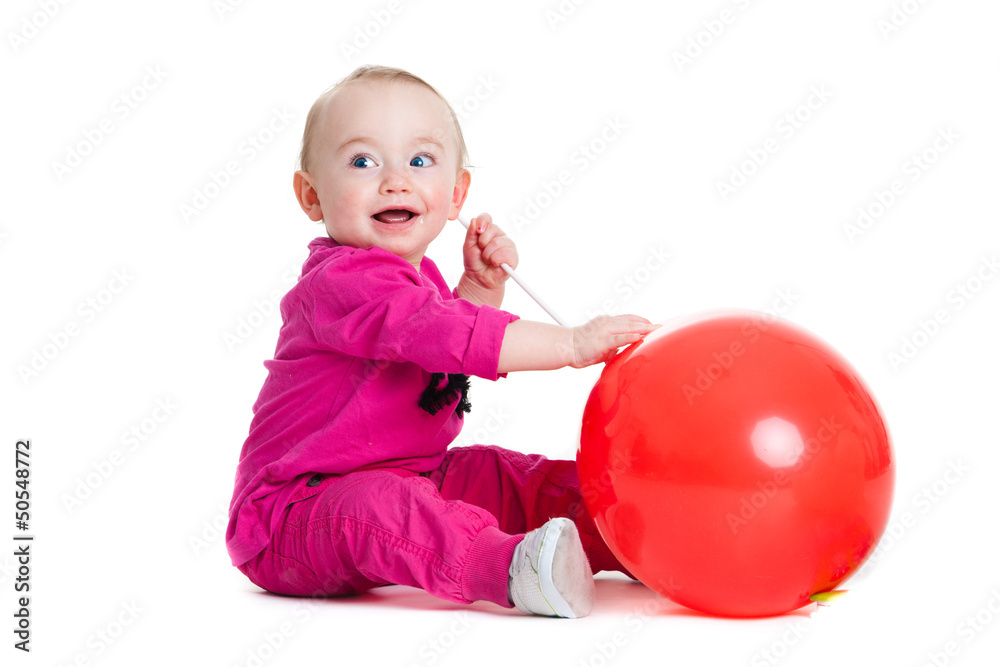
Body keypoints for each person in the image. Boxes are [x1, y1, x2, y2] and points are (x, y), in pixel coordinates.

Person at [226, 65, 658, 618]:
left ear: (455, 195)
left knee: (505, 476)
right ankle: (514, 569)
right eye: (362, 162)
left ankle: (630, 528)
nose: (395, 182)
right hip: (293, 516)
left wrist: (478, 287)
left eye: (420, 161)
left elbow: (438, 347)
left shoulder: (418, 281)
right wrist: (571, 345)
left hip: (415, 473)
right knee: (385, 506)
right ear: (312, 196)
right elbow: (447, 335)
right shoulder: (338, 282)